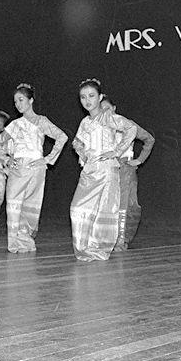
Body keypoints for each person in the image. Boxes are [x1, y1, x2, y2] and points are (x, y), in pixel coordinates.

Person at [70, 79, 137, 261]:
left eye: (91, 96)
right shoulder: (85, 121)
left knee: (103, 210)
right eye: (83, 97)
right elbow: (78, 141)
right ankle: (86, 248)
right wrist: (80, 150)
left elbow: (131, 129)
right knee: (77, 208)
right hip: (89, 171)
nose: (87, 100)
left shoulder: (108, 117)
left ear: (100, 97)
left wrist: (115, 151)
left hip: (106, 171)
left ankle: (99, 248)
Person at [2, 83, 68, 253]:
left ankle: (25, 240)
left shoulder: (41, 121)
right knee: (13, 204)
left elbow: (62, 137)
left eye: (21, 100)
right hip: (18, 169)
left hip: (36, 169)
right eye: (15, 101)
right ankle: (14, 243)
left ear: (30, 100)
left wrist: (47, 160)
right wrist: (7, 159)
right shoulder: (14, 125)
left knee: (32, 204)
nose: (17, 104)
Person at [100, 95, 155, 251]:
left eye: (108, 109)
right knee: (105, 204)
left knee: (126, 205)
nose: (106, 113)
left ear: (114, 108)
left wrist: (139, 160)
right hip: (105, 168)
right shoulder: (98, 126)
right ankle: (104, 237)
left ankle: (121, 240)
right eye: (101, 110)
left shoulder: (127, 124)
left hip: (125, 168)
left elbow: (149, 139)